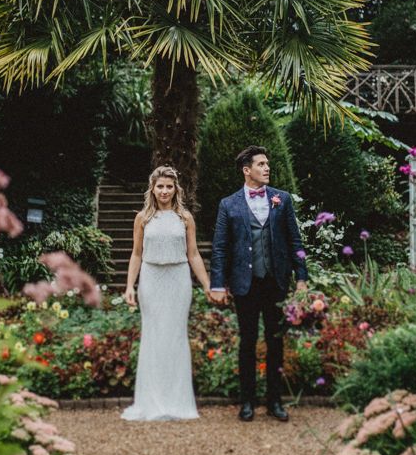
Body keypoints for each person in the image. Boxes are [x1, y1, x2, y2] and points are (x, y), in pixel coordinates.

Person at [209, 145, 308, 422]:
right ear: (247, 170)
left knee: (275, 342)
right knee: (248, 342)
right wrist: (218, 283)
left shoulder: (282, 199)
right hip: (245, 283)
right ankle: (247, 402)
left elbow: (294, 241)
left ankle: (275, 401)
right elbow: (220, 248)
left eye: (267, 164)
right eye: (261, 164)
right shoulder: (228, 204)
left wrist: (301, 278)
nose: (267, 168)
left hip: (276, 281)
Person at [122, 166, 210, 421]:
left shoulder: (185, 218)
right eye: (160, 186)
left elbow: (193, 254)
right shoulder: (142, 218)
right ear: (153, 188)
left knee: (175, 338)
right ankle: (151, 401)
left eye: (169, 186)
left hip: (178, 279)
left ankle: (177, 401)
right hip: (151, 279)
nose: (164, 191)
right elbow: (136, 254)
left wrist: (206, 284)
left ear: (176, 189)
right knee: (153, 337)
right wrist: (130, 286)